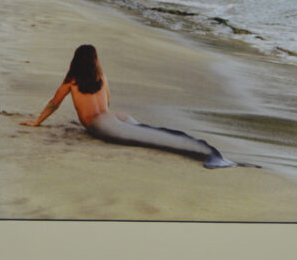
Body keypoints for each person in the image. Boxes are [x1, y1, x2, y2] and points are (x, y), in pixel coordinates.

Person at [20, 44, 253, 169]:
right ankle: (211, 153)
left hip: (101, 124)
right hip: (115, 117)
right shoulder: (102, 77)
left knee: (150, 137)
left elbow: (54, 103)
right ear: (94, 60)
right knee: (148, 132)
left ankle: (210, 154)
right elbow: (107, 103)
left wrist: (37, 122)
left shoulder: (71, 81)